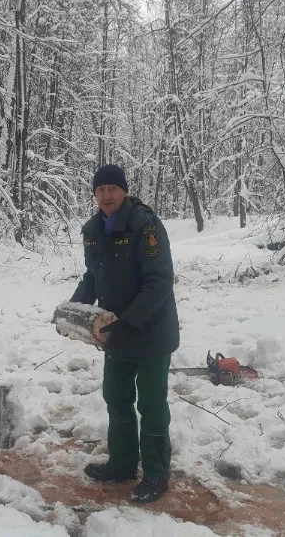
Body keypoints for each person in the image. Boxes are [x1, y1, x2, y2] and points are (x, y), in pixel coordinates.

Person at [70, 164, 180, 503]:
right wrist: (75, 308)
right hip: (115, 332)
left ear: (124, 191)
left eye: (112, 189)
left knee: (150, 403)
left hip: (150, 332)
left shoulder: (144, 225)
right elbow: (93, 275)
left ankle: (156, 474)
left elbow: (159, 280)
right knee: (116, 397)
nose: (106, 195)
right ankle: (121, 463)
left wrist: (129, 321)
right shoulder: (93, 229)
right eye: (100, 189)